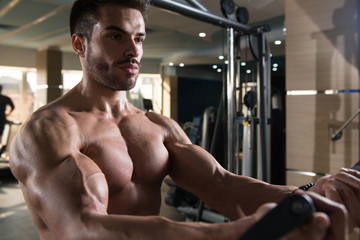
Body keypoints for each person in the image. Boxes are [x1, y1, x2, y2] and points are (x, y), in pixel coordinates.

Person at [8, 0, 359, 239]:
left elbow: (221, 184)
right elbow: (82, 229)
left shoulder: (157, 126)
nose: (133, 50)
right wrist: (232, 234)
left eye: (140, 38)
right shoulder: (48, 131)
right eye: (115, 35)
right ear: (80, 44)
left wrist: (311, 195)